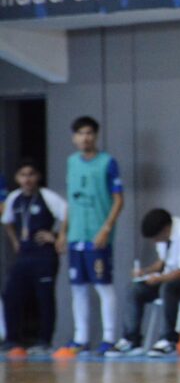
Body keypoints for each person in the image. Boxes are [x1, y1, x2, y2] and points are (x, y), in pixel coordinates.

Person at [53, 116, 124, 358]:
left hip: (98, 236)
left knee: (103, 285)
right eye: (81, 133)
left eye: (89, 133)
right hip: (76, 236)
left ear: (96, 135)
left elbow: (118, 199)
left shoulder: (107, 163)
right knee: (78, 288)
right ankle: (80, 338)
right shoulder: (72, 162)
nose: (85, 137)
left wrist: (106, 228)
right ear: (74, 138)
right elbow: (71, 201)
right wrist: (62, 232)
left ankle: (109, 338)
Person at [106, 209, 180, 357]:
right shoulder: (166, 235)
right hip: (169, 278)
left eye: (156, 238)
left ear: (165, 230)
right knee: (134, 289)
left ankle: (169, 340)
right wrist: (145, 272)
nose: (154, 242)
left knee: (168, 288)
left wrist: (159, 278)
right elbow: (163, 263)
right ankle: (131, 339)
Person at [1, 160, 67, 357]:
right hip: (24, 254)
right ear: (17, 178)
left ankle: (44, 340)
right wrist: (14, 241)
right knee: (11, 294)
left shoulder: (47, 197)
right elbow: (7, 221)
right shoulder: (14, 198)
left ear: (37, 177)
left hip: (44, 255)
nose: (27, 179)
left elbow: (68, 213)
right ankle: (12, 339)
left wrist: (57, 236)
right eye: (23, 175)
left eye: (31, 174)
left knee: (44, 297)